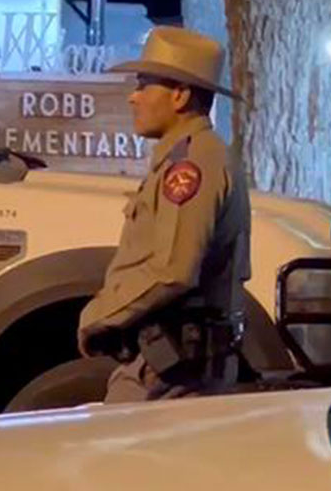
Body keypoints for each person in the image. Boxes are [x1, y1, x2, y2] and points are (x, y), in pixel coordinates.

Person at [78, 27, 250, 403]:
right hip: (170, 362)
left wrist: (99, 315)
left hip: (166, 369)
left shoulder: (190, 164)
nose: (133, 97)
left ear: (180, 95)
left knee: (114, 441)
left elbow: (173, 270)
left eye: (144, 85)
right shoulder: (194, 155)